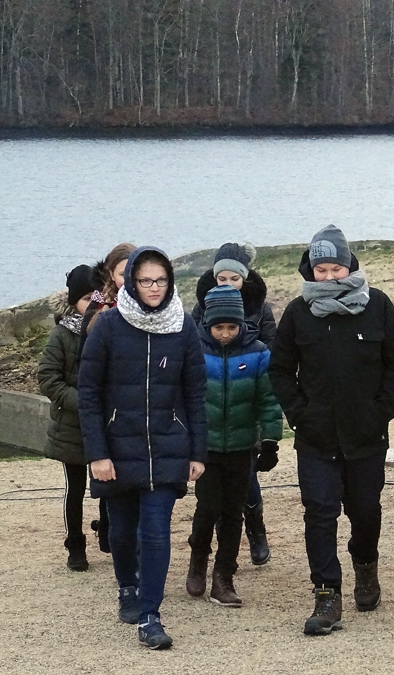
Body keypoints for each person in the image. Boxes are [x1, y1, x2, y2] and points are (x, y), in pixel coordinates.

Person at [268, 225, 394, 636]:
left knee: (365, 512)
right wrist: (299, 413)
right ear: (310, 271)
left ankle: (366, 567)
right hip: (316, 438)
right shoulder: (297, 313)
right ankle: (327, 593)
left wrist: (381, 411)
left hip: (366, 436)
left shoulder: (377, 306)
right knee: (319, 513)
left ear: (349, 266)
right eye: (321, 269)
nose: (329, 276)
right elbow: (280, 369)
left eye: (336, 268)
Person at [79, 246, 207, 650]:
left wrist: (197, 452)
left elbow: (195, 393)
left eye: (161, 280)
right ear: (131, 281)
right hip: (117, 449)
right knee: (121, 531)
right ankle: (127, 587)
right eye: (145, 280)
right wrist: (97, 453)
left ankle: (151, 615)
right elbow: (89, 393)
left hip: (167, 447)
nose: (154, 287)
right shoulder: (108, 325)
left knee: (155, 532)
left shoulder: (184, 326)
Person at [185, 286, 283, 607]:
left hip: (243, 448)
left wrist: (269, 441)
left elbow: (269, 400)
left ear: (241, 324)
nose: (225, 333)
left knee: (233, 513)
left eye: (231, 327)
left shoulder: (257, 354)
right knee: (208, 508)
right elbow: (183, 400)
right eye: (219, 327)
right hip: (206, 448)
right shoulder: (195, 353)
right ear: (208, 325)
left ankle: (223, 576)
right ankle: (198, 560)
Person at [192, 242, 277, 565]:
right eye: (221, 277)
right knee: (212, 495)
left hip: (245, 405)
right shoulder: (202, 310)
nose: (227, 283)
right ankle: (206, 555)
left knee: (246, 479)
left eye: (234, 278)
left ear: (245, 279)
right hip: (213, 413)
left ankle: (256, 529)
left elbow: (271, 355)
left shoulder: (261, 310)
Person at [37, 264, 100, 572]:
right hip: (72, 425)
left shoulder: (109, 328)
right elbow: (48, 378)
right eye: (87, 298)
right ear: (74, 301)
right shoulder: (61, 335)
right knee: (75, 488)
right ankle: (75, 543)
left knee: (109, 483)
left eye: (97, 297)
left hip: (104, 422)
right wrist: (81, 401)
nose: (93, 304)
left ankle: (109, 531)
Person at [81, 242, 136, 555]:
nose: (128, 278)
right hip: (108, 405)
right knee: (110, 479)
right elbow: (84, 364)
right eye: (122, 272)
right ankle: (109, 534)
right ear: (111, 274)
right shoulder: (99, 310)